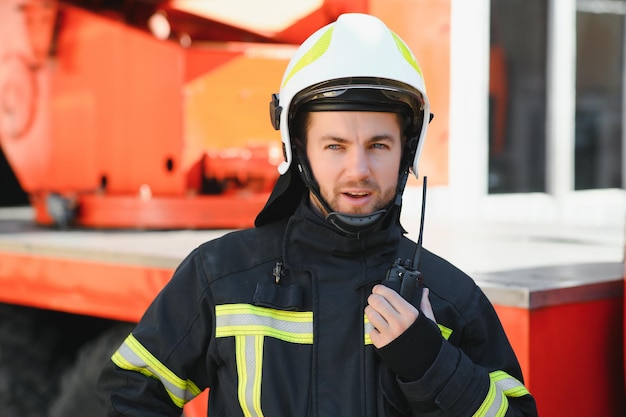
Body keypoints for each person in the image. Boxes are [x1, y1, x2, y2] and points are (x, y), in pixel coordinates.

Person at [98, 13, 538, 417]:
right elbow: (130, 392)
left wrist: (433, 365)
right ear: (298, 149)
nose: (359, 170)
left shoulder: (449, 301)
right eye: (335, 146)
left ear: (409, 149)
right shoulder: (220, 277)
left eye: (379, 145)